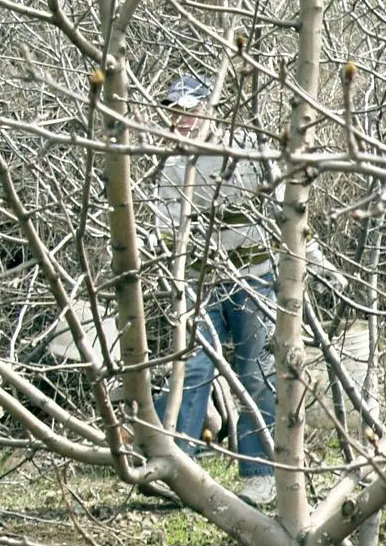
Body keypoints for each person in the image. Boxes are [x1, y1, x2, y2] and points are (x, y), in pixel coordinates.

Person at [150, 74, 278, 506]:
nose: (182, 120)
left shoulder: (243, 152)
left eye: (189, 110)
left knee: (256, 373)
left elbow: (279, 212)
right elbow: (164, 234)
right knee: (192, 368)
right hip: (201, 283)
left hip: (254, 277)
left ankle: (260, 476)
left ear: (209, 110)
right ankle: (179, 471)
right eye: (174, 112)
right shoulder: (170, 166)